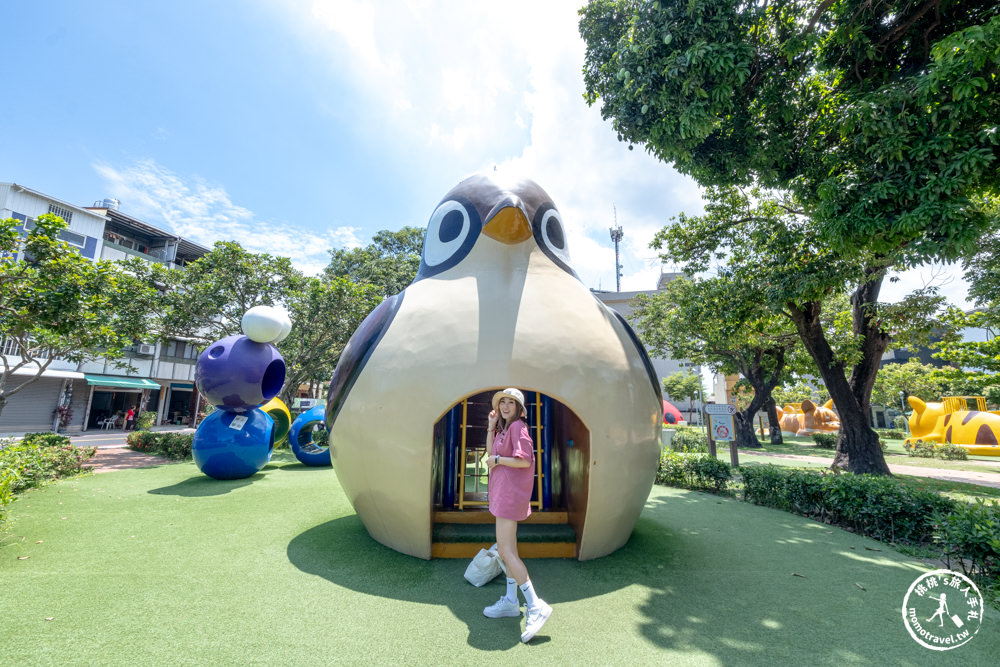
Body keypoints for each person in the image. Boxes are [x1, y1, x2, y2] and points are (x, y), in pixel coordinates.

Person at [483, 387, 552, 643]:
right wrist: (491, 427)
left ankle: (535, 605)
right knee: (507, 550)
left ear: (520, 409)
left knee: (506, 551)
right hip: (502, 493)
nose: (505, 406)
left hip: (510, 496)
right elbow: (492, 455)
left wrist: (499, 460)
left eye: (511, 403)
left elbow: (524, 460)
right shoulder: (504, 428)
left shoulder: (518, 427)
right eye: (503, 402)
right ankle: (512, 602)